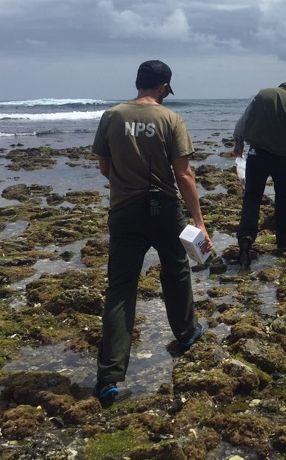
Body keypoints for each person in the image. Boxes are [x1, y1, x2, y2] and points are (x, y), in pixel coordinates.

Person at [91, 59, 213, 403]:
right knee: (175, 273)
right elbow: (184, 174)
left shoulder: (112, 116)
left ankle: (109, 378)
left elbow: (105, 166)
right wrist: (198, 221)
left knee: (120, 290)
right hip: (164, 209)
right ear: (163, 88)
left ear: (138, 83)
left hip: (124, 212)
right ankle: (187, 334)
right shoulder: (170, 119)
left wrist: (126, 189)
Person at [232, 73, 286, 268]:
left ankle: (246, 238)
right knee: (284, 197)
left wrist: (238, 143)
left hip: (256, 155)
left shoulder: (262, 95)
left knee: (252, 197)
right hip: (281, 158)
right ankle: (283, 242)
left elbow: (243, 120)